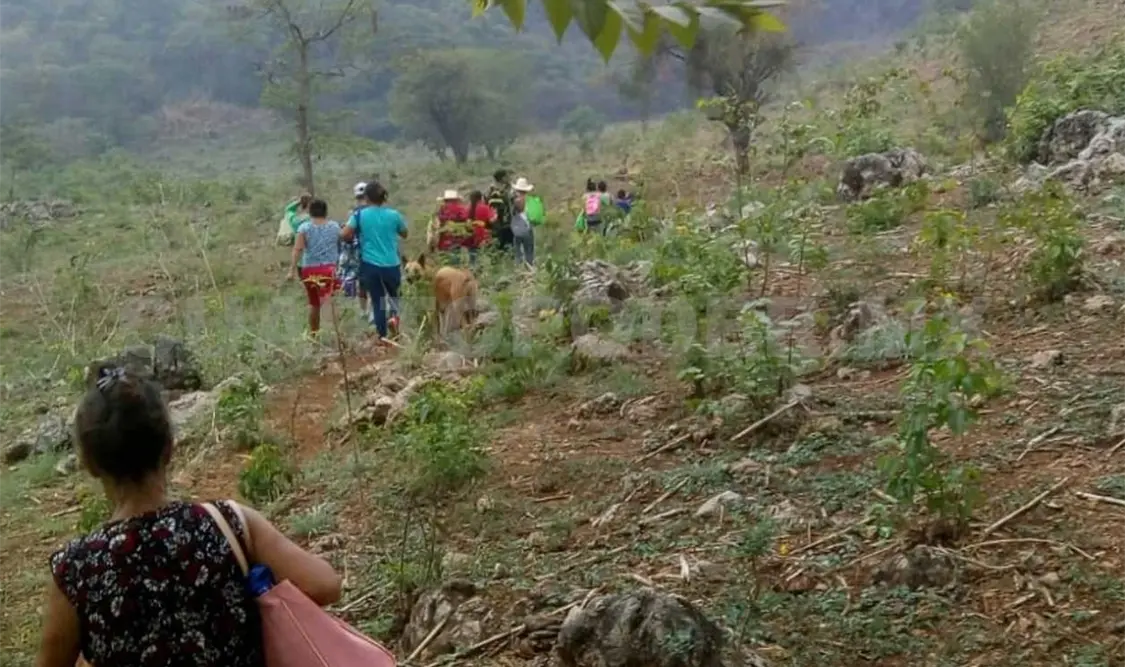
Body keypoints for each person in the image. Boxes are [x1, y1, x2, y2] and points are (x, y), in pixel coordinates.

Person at [36, 365, 341, 667]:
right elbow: (325, 584)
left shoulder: (76, 569)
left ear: (89, 463)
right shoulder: (229, 524)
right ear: (169, 448)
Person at [342, 182, 408, 343]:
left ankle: (383, 336)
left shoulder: (359, 215)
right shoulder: (394, 215)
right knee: (394, 298)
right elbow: (405, 233)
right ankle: (395, 324)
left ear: (366, 197)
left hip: (370, 264)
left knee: (378, 301)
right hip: (392, 263)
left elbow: (345, 234)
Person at [289, 199, 341, 340]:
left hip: (309, 270)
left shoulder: (304, 228)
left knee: (314, 303)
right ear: (326, 212)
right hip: (329, 270)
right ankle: (337, 336)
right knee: (331, 302)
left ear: (310, 212)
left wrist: (291, 270)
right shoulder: (335, 227)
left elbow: (298, 249)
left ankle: (314, 336)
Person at [337, 182, 368, 321]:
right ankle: (364, 311)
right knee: (363, 282)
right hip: (362, 252)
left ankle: (364, 311)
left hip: (361, 252)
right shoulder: (355, 213)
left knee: (361, 282)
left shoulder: (355, 213)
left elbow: (345, 234)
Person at [431, 190, 470, 266]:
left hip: (442, 242)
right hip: (455, 241)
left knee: (444, 263)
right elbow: (466, 221)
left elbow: (435, 223)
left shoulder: (440, 210)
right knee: (455, 264)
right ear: (456, 199)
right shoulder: (460, 208)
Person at [486, 169, 515, 254]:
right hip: (502, 224)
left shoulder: (490, 190)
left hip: (499, 224)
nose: (509, 178)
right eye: (507, 176)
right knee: (506, 248)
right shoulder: (496, 191)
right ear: (502, 178)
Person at [511, 177, 536, 267]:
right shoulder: (531, 200)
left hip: (517, 227)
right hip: (528, 227)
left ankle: (519, 269)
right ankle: (530, 270)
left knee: (518, 252)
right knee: (529, 252)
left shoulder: (515, 201)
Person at [465, 190, 494, 267]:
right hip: (483, 236)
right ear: (481, 198)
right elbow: (491, 220)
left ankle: (473, 272)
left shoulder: (467, 209)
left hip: (470, 236)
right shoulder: (485, 208)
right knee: (483, 257)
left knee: (472, 258)